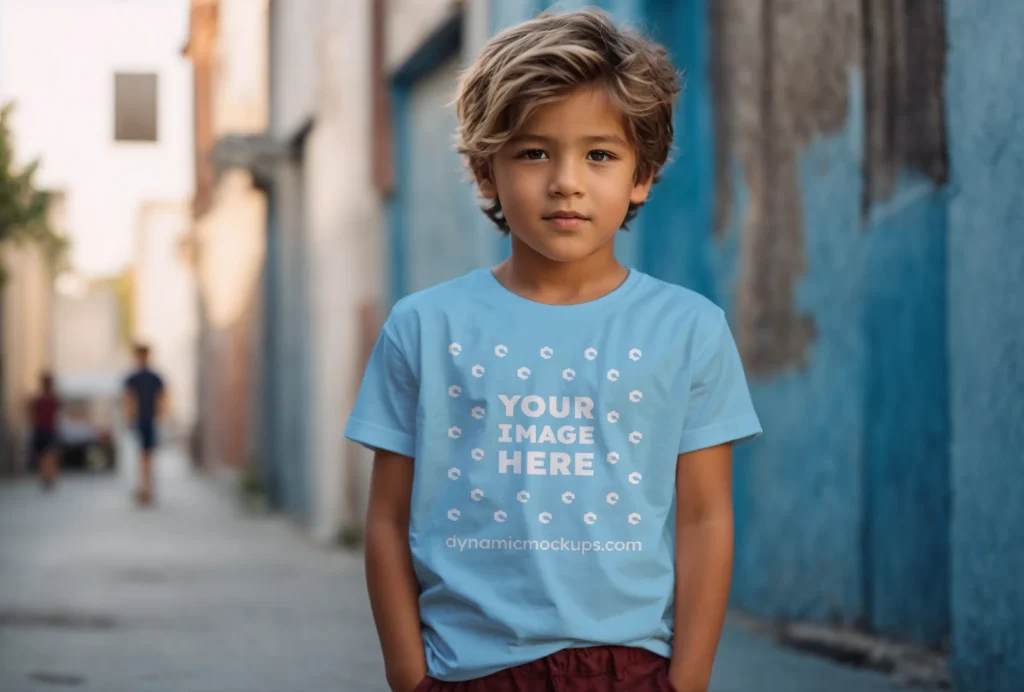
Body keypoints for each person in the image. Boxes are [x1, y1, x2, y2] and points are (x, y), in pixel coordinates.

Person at [345, 9, 762, 692]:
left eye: (600, 155)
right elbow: (389, 518)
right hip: (470, 670)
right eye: (534, 152)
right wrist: (407, 675)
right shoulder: (424, 327)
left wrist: (686, 681)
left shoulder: (689, 328)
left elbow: (705, 515)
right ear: (486, 171)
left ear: (642, 175)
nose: (566, 180)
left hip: (630, 668)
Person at [124, 344, 165, 507]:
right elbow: (130, 400)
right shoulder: (152, 377)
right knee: (146, 456)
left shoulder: (145, 378)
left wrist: (129, 417)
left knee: (145, 456)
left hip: (145, 420)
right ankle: (146, 488)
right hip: (145, 420)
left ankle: (145, 489)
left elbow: (129, 400)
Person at [28, 372, 62, 490]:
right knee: (45, 456)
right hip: (44, 430)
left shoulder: (50, 399)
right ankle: (47, 477)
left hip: (47, 430)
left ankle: (48, 477)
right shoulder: (41, 400)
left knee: (48, 456)